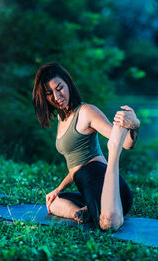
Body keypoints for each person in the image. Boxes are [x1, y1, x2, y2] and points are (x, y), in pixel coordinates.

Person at [32, 63, 140, 230]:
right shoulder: (63, 119)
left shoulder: (86, 112)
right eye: (49, 93)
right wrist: (58, 189)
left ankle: (113, 155)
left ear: (68, 84)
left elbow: (126, 143)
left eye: (59, 88)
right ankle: (84, 211)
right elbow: (76, 167)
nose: (57, 96)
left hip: (101, 178)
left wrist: (134, 128)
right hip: (87, 186)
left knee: (108, 223)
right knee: (53, 202)